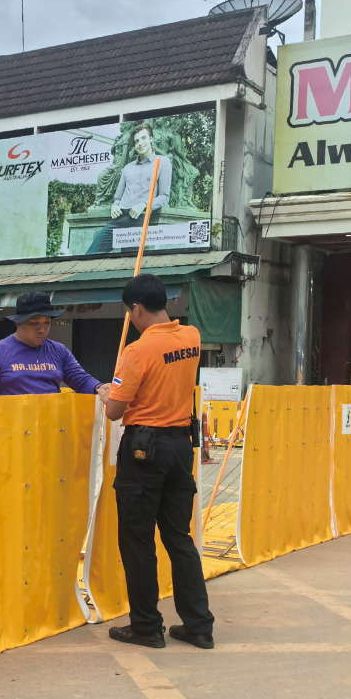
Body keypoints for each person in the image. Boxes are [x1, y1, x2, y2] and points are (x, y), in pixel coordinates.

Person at [103, 273, 214, 650]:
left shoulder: (136, 351)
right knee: (178, 537)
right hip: (180, 448)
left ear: (135, 309)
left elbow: (115, 412)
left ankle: (146, 626)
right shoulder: (192, 337)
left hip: (143, 448)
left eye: (129, 312)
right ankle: (199, 625)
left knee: (137, 540)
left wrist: (107, 393)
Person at [0, 292, 112, 398]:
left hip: (51, 430)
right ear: (18, 322)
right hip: (9, 431)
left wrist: (99, 387)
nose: (42, 329)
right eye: (34, 322)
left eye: (47, 322)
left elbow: (81, 381)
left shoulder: (58, 351)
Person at [86, 122, 173, 255]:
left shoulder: (162, 162)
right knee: (91, 254)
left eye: (143, 138)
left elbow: (164, 197)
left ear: (151, 138)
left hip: (139, 218)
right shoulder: (128, 167)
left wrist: (143, 205)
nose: (140, 143)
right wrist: (115, 206)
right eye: (136, 141)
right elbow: (118, 197)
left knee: (129, 263)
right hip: (119, 219)